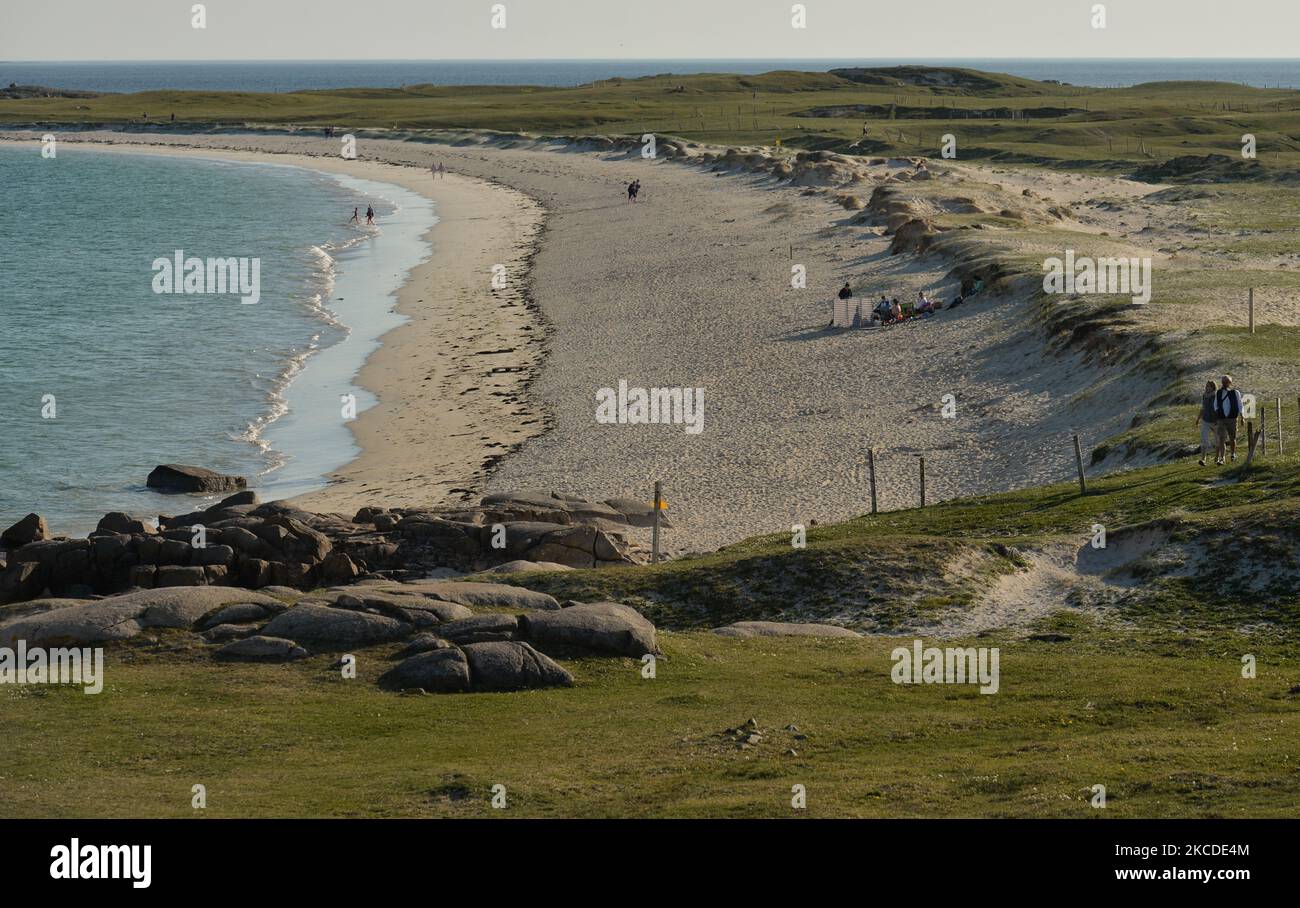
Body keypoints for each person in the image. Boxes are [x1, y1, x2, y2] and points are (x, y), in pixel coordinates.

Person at [1213, 375, 1244, 465]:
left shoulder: (1235, 392)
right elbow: (1215, 405)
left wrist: (1242, 416)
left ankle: (1233, 454)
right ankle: (1222, 458)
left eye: (1226, 382)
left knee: (1232, 437)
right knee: (1221, 439)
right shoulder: (1218, 393)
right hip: (1221, 418)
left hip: (1232, 418)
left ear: (1230, 383)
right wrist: (1218, 412)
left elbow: (1240, 405)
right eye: (1223, 382)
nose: (1224, 383)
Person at [1196, 380, 1218, 467]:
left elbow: (1219, 409)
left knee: (1218, 441)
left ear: (1213, 387)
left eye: (1208, 386)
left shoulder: (1216, 396)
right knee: (1204, 439)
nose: (1206, 387)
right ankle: (1203, 459)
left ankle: (1217, 457)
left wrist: (1219, 420)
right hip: (1205, 420)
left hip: (1215, 421)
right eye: (1206, 386)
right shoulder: (1204, 396)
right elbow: (1203, 408)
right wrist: (1198, 419)